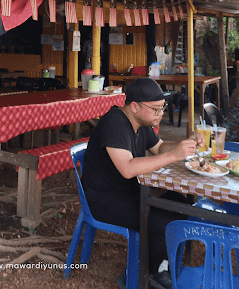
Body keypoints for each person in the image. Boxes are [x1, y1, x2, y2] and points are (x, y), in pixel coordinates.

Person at [81, 77, 201, 289]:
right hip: (104, 200)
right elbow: (127, 169)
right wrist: (174, 155)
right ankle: (146, 273)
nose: (161, 113)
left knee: (179, 202)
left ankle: (157, 263)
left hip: (129, 192)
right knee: (164, 220)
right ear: (134, 106)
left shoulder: (142, 122)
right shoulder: (115, 123)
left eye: (162, 107)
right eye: (155, 109)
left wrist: (184, 145)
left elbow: (160, 148)